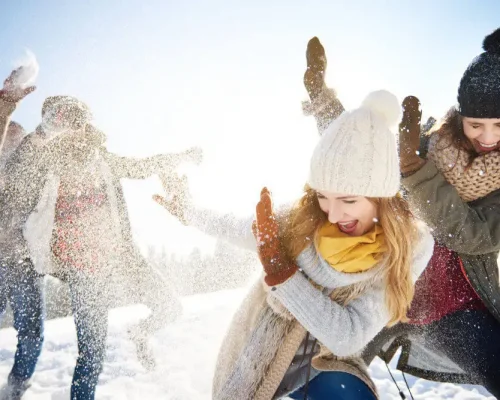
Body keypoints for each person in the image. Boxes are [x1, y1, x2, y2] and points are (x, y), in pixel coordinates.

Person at [155, 90, 434, 399]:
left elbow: (347, 336)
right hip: (263, 354)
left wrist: (283, 275)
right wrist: (188, 211)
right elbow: (233, 225)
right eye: (323, 196)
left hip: (325, 364)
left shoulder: (410, 246)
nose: (334, 213)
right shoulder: (301, 221)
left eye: (349, 200)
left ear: (381, 197)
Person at [303, 30, 500, 397]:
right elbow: (356, 156)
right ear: (460, 118)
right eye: (476, 124)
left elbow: (471, 237)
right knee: (323, 374)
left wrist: (416, 174)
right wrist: (321, 96)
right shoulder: (424, 144)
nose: (487, 138)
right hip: (382, 291)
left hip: (452, 311)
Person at [1, 95, 199, 400]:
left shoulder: (102, 158)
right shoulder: (44, 166)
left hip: (122, 258)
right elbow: (15, 173)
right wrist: (41, 133)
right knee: (91, 357)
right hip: (84, 275)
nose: (72, 127)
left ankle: (140, 331)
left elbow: (142, 166)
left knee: (171, 305)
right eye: (61, 120)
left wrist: (180, 156)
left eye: (77, 119)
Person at [0, 68, 40, 400]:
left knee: (31, 332)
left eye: (18, 137)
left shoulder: (31, 171)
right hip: (1, 257)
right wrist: (5, 107)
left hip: (25, 262)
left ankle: (14, 388)